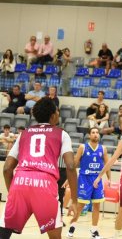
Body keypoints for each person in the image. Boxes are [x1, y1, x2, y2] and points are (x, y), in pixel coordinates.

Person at [0, 97, 78, 238]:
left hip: (20, 181)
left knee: (3, 234)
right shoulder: (62, 134)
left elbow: (6, 169)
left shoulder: (23, 134)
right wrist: (74, 199)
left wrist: (13, 191)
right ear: (53, 115)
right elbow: (71, 166)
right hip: (45, 184)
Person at [67, 127, 110, 238]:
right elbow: (75, 163)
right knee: (81, 205)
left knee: (96, 205)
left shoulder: (103, 149)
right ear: (89, 135)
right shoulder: (83, 147)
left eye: (97, 133)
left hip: (97, 179)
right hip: (84, 179)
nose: (95, 134)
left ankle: (94, 230)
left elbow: (107, 165)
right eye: (93, 133)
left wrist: (109, 179)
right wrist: (69, 179)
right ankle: (73, 225)